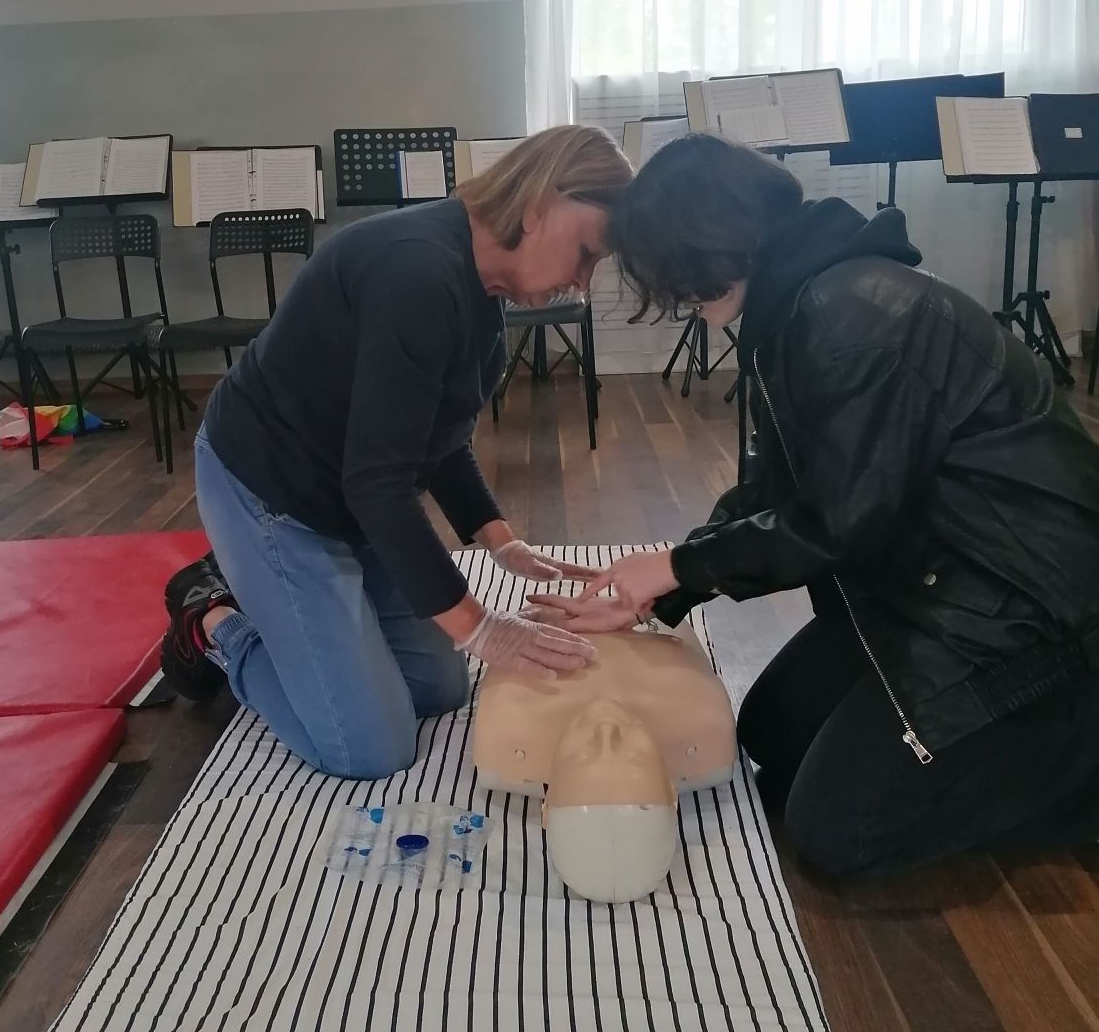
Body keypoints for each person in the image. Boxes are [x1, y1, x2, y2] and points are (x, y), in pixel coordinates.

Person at [532, 132, 1099, 880]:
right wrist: (666, 581)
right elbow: (782, 492)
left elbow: (838, 524)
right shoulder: (803, 302)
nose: (686, 303)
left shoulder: (853, 316)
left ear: (719, 237)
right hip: (930, 583)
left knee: (841, 835)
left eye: (680, 278)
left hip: (1027, 612)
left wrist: (677, 567)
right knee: (770, 731)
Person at [157, 125, 634, 779]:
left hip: (349, 494)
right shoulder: (417, 271)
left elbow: (435, 437)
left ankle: (286, 613)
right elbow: (379, 484)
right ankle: (211, 619)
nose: (582, 283)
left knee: (440, 688)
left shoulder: (480, 291)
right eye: (586, 253)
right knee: (370, 749)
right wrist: (481, 627)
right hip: (273, 494)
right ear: (539, 204)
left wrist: (501, 542)